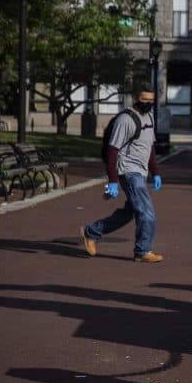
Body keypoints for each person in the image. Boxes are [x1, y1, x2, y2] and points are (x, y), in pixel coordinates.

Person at [80, 84, 164, 262]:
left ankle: (91, 232)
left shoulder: (149, 116)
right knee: (147, 213)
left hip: (140, 172)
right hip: (128, 171)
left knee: (129, 213)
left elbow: (149, 147)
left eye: (152, 100)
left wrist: (155, 171)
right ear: (135, 99)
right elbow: (112, 150)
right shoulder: (125, 120)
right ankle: (143, 251)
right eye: (144, 100)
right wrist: (112, 180)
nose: (148, 104)